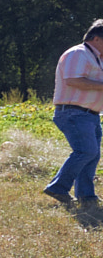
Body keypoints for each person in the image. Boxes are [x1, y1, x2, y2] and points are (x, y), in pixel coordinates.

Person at [44, 20, 103, 203]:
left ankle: (86, 195)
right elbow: (72, 80)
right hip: (73, 112)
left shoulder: (96, 59)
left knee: (91, 154)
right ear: (96, 38)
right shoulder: (79, 53)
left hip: (90, 115)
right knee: (86, 151)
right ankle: (57, 188)